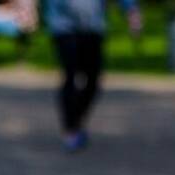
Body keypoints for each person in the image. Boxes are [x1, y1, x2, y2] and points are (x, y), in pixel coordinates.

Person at [47, 0, 142, 152]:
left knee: (93, 80)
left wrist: (131, 11)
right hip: (64, 26)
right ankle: (71, 129)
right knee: (70, 75)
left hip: (93, 27)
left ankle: (76, 120)